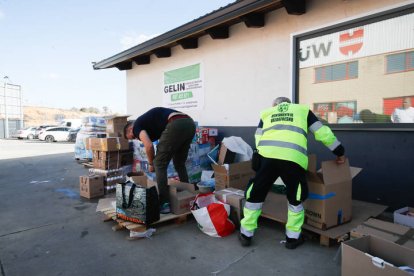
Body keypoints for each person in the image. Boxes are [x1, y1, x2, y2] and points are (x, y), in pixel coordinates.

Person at [239, 97, 346, 249]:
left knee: (255, 194)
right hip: (293, 159)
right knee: (295, 197)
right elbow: (323, 133)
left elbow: (258, 138)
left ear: (275, 105)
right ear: (289, 104)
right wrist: (339, 152)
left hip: (267, 157)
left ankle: (246, 234)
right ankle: (292, 238)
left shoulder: (267, 113)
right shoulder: (302, 111)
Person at [124, 107, 196, 214]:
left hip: (175, 124)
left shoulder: (136, 126)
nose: (135, 138)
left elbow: (148, 146)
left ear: (130, 129)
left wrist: (151, 163)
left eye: (132, 137)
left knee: (159, 164)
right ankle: (187, 194)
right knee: (179, 162)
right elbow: (162, 143)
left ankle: (164, 203)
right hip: (189, 123)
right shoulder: (149, 124)